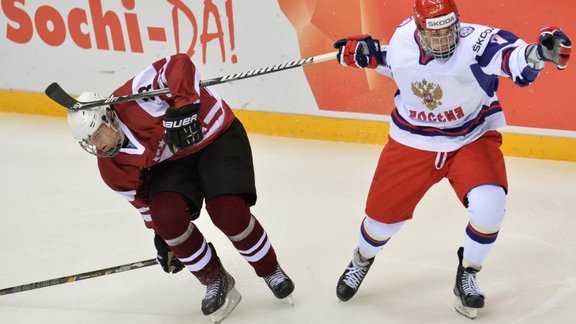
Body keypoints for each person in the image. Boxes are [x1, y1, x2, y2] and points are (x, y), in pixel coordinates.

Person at [333, 0, 571, 319]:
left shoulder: (477, 42)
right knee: (379, 224)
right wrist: (366, 54)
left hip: (470, 138)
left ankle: (468, 274)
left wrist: (538, 53)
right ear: (418, 29)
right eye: (436, 33)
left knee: (490, 207)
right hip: (413, 142)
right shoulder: (403, 39)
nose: (445, 39)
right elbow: (394, 62)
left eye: (450, 30)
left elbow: (513, 58)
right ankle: (362, 258)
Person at [65, 53, 295, 322]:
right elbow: (144, 205)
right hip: (173, 160)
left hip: (215, 136)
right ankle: (215, 279)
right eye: (89, 142)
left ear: (108, 117)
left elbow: (178, 63)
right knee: (166, 218)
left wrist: (184, 108)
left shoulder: (134, 97)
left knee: (228, 213)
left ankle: (270, 270)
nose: (98, 146)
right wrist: (164, 236)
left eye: (97, 135)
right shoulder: (112, 168)